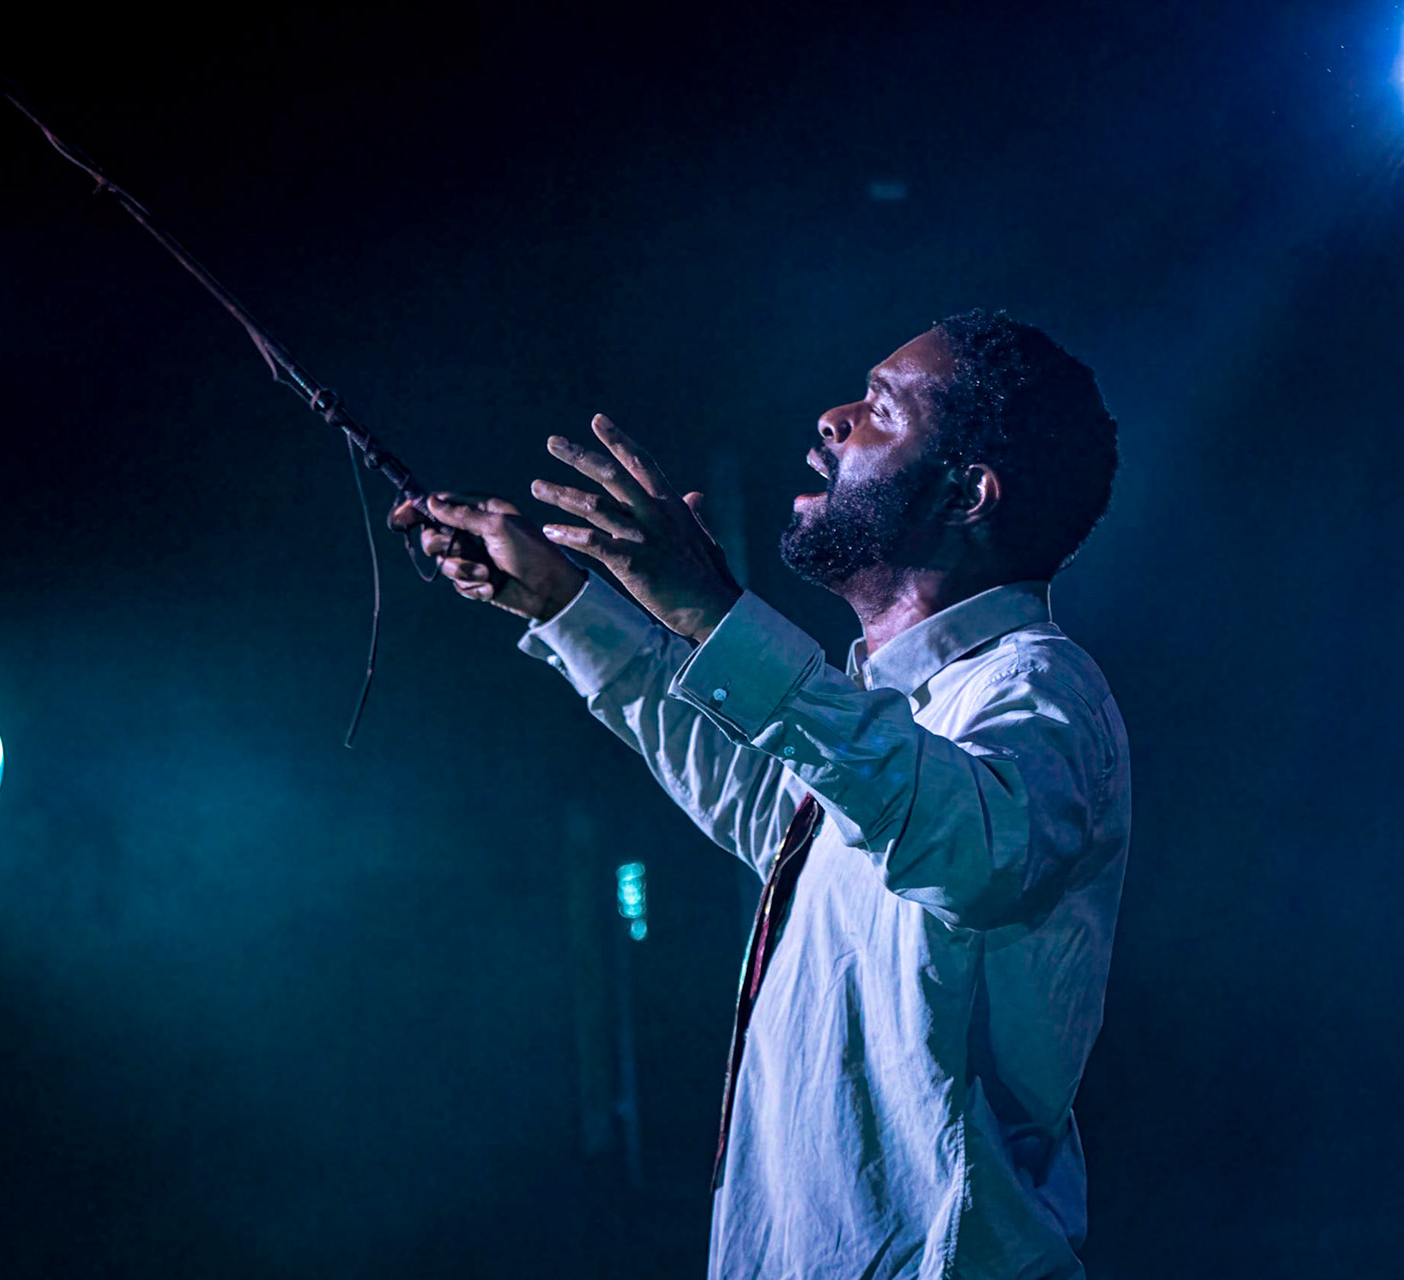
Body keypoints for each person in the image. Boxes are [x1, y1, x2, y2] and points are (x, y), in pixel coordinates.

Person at [393, 311, 1128, 1279]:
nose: (832, 418)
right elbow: (756, 794)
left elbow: (975, 855)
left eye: (880, 406)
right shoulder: (880, 719)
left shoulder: (1034, 685)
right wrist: (568, 604)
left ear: (966, 489)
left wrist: (708, 610)